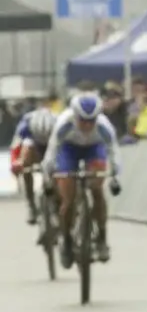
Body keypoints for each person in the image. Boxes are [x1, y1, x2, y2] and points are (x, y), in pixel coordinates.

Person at [41, 93, 122, 268]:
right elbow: (52, 150)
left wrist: (115, 175)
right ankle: (67, 241)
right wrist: (48, 176)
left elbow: (113, 150)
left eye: (91, 120)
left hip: (94, 149)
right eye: (82, 120)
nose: (87, 125)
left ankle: (101, 238)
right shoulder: (64, 123)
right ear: (75, 115)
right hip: (68, 151)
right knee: (67, 199)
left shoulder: (104, 126)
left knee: (97, 190)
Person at [11, 107, 57, 224]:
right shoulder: (25, 126)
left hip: (53, 145)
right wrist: (16, 165)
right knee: (26, 157)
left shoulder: (59, 123)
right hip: (34, 146)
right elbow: (15, 147)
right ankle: (31, 204)